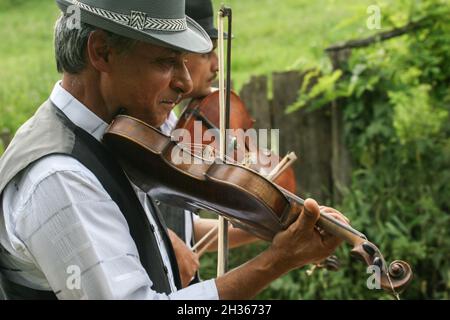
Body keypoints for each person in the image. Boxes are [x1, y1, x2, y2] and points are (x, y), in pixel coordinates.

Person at [0, 0, 348, 300]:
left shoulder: (118, 133)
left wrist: (282, 229)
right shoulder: (60, 177)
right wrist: (277, 261)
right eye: (165, 62)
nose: (184, 83)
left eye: (184, 61)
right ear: (102, 52)